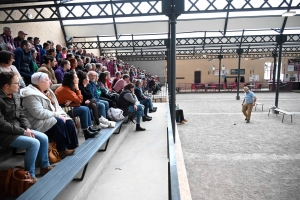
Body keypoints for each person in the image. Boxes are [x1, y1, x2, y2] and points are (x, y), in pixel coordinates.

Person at [0, 71, 52, 181]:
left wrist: (27, 127)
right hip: (4, 133)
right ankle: (30, 176)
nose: (19, 85)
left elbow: (21, 114)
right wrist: (23, 132)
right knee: (34, 143)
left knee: (43, 137)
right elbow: (2, 124)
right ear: (6, 85)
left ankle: (44, 166)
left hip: (17, 128)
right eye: (16, 83)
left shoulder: (15, 95)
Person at [20, 72, 77, 158]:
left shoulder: (46, 90)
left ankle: (73, 146)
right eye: (47, 80)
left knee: (69, 122)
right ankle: (61, 150)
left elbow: (56, 106)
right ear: (40, 82)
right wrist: (56, 115)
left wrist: (60, 114)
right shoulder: (30, 95)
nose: (50, 82)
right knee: (59, 122)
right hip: (36, 122)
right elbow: (38, 113)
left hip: (46, 117)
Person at [54, 71, 100, 140]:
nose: (78, 79)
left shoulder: (68, 87)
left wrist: (72, 101)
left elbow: (78, 101)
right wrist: (77, 88)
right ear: (71, 80)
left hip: (68, 106)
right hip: (63, 109)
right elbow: (80, 100)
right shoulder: (66, 89)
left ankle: (89, 128)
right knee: (84, 109)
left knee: (86, 108)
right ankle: (86, 132)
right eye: (76, 77)